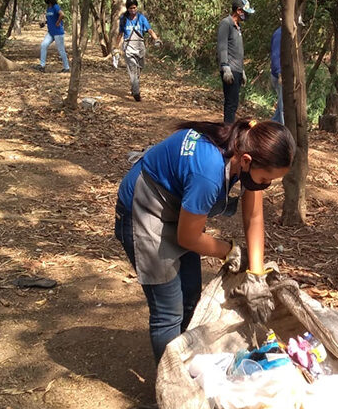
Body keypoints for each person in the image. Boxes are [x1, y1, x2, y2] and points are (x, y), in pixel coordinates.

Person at [115, 119, 295, 362]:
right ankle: (170, 387)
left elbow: (253, 216)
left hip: (178, 210)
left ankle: (186, 360)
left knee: (190, 295)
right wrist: (230, 251)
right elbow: (188, 237)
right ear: (246, 161)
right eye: (265, 180)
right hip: (145, 210)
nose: (265, 185)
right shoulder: (208, 173)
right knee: (168, 311)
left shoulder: (247, 143)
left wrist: (256, 273)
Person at [115, 0, 162, 102]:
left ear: (137, 7)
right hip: (128, 47)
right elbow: (120, 33)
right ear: (127, 8)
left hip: (140, 47)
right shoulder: (123, 19)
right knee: (132, 69)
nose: (133, 10)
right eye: (130, 8)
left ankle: (134, 86)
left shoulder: (141, 18)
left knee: (139, 69)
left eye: (134, 8)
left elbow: (149, 30)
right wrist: (116, 47)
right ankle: (136, 93)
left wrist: (156, 39)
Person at [217, 0, 254, 123]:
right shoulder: (226, 23)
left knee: (234, 103)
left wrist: (242, 70)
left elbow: (237, 50)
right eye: (245, 12)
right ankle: (228, 132)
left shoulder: (238, 27)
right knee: (231, 104)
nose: (247, 15)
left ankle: (229, 130)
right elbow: (222, 46)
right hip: (229, 69)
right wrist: (225, 67)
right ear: (239, 10)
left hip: (237, 69)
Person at [37, 0, 70, 73]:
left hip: (58, 32)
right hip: (51, 32)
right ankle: (42, 65)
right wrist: (44, 23)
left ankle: (66, 67)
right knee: (43, 45)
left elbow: (62, 14)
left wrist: (58, 22)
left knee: (61, 50)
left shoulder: (55, 6)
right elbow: (51, 19)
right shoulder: (49, 8)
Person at [270, 26, 283, 124]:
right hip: (280, 75)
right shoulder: (280, 34)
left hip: (285, 75)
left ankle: (270, 129)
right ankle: (285, 134)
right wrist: (280, 73)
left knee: (279, 111)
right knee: (284, 108)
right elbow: (275, 55)